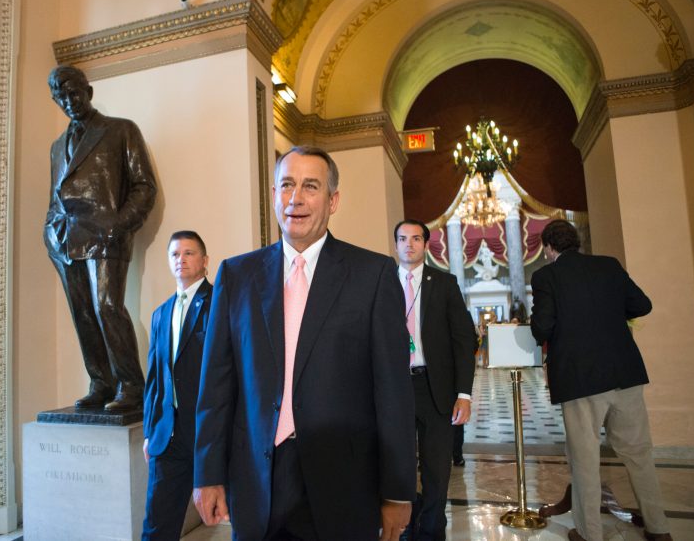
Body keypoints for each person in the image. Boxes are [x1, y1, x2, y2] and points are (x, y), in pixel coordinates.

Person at [193, 145, 416, 541]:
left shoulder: (373, 276)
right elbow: (216, 387)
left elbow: (393, 394)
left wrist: (397, 491)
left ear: (333, 201)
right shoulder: (236, 276)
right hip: (258, 481)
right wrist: (208, 474)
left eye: (310, 187)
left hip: (343, 485)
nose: (296, 198)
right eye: (287, 185)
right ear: (275, 196)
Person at [530, 219, 672, 541]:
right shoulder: (608, 265)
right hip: (625, 372)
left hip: (581, 380)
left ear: (549, 248)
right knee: (638, 455)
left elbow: (542, 328)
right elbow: (642, 305)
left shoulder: (546, 276)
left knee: (584, 460)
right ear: (575, 242)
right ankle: (659, 528)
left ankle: (589, 534)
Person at [44, 65, 157, 411]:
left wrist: (118, 226)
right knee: (82, 312)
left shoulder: (120, 130)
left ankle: (132, 386)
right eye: (61, 97)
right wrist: (50, 233)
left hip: (108, 234)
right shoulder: (57, 145)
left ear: (88, 91)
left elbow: (143, 186)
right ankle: (101, 382)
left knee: (108, 307)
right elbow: (55, 197)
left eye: (74, 93)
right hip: (66, 240)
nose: (69, 101)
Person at [394, 220, 477, 541]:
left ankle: (431, 531)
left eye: (416, 239)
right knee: (398, 466)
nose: (409, 245)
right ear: (396, 244)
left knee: (436, 469)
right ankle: (403, 527)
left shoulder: (444, 283)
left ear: (426, 245)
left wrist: (464, 394)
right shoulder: (382, 283)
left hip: (435, 389)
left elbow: (462, 341)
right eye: (402, 239)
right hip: (395, 389)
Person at [142, 231, 212, 540]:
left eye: (188, 253)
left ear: (205, 261)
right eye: (174, 254)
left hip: (209, 434)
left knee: (244, 519)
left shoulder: (221, 303)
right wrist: (148, 431)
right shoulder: (160, 313)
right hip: (166, 437)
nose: (180, 259)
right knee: (157, 525)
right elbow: (154, 381)